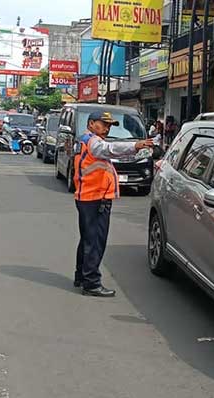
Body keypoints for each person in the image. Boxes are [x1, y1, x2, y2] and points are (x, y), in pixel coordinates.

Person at [74, 111, 153, 297]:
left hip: (88, 197)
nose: (107, 128)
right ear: (92, 123)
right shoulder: (93, 141)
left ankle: (81, 276)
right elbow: (108, 149)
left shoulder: (86, 139)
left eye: (109, 125)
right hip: (95, 198)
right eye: (104, 124)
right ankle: (91, 283)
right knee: (95, 242)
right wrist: (135, 145)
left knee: (87, 240)